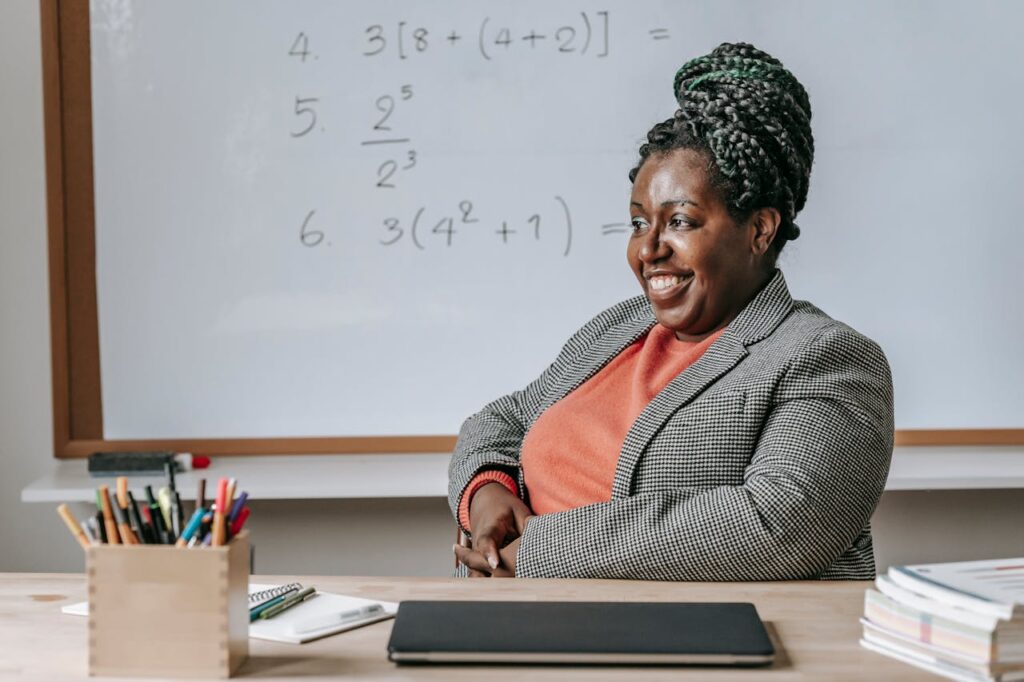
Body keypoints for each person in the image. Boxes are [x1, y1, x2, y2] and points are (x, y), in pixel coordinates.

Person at [449, 42, 894, 581]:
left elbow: (777, 524)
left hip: (700, 648)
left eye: (680, 222)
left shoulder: (828, 358)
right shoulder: (619, 328)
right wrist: (486, 493)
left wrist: (538, 551)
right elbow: (502, 421)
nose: (648, 249)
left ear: (760, 229)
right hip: (514, 626)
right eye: (639, 223)